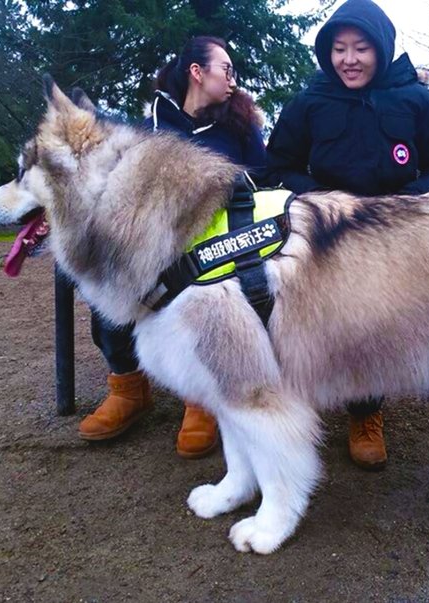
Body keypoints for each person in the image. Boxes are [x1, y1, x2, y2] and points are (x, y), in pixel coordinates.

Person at [266, 0, 429, 470]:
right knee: (312, 320)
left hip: (392, 235)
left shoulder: (414, 98)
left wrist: (409, 200)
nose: (349, 59)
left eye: (360, 48)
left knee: (373, 324)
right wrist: (316, 200)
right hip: (322, 235)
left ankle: (365, 415)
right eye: (339, 49)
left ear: (381, 50)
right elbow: (280, 165)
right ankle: (300, 408)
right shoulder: (310, 100)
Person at [80, 36, 266, 458]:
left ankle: (199, 396)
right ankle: (127, 386)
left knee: (200, 292)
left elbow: (264, 178)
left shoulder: (240, 125)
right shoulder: (151, 128)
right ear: (197, 73)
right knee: (110, 283)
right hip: (157, 245)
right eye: (227, 69)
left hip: (221, 243)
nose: (234, 79)